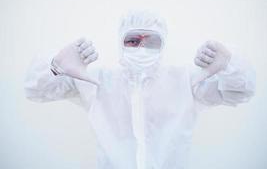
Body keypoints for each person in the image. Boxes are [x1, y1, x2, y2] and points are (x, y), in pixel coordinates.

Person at [24, 10, 256, 169]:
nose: (142, 48)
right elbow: (35, 91)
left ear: (164, 42)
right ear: (120, 40)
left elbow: (241, 91)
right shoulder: (96, 80)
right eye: (133, 40)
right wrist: (55, 67)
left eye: (151, 41)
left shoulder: (185, 80)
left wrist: (229, 63)